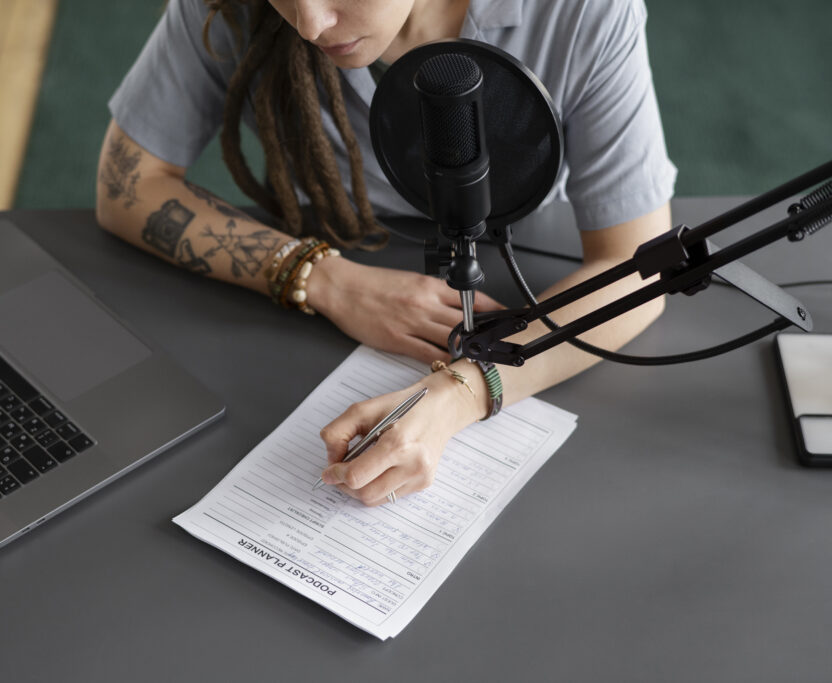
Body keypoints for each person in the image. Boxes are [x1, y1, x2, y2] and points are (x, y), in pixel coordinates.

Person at [96, 0, 677, 506]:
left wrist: (463, 394)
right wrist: (324, 278)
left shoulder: (584, 10)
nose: (309, 23)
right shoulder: (231, 6)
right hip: (327, 275)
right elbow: (126, 188)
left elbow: (636, 268)